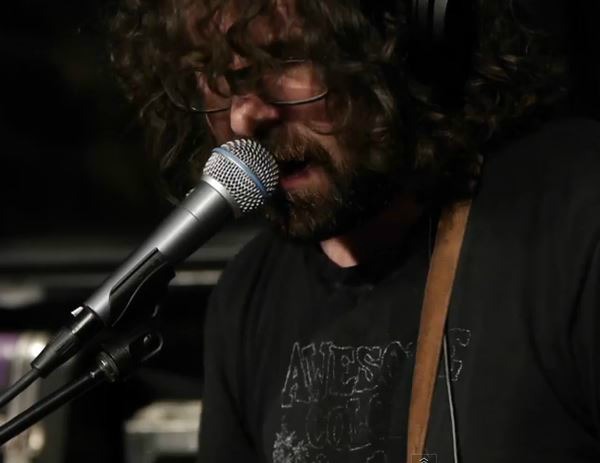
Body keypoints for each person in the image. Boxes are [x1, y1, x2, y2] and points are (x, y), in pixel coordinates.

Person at [111, 0, 600, 461]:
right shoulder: (247, 296)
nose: (245, 116)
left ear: (400, 43)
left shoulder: (574, 215)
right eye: (220, 77)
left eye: (285, 60)